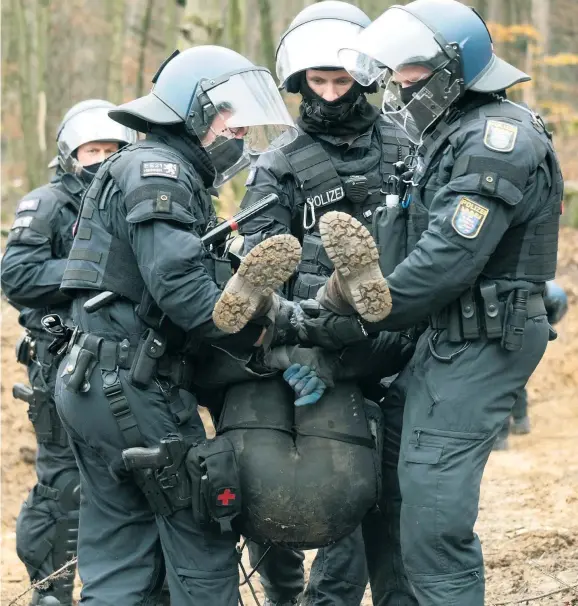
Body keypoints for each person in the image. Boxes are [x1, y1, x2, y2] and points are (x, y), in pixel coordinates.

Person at [292, 1, 563, 604]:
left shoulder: (499, 138)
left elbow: (444, 263)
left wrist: (347, 305)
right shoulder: (444, 134)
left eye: (411, 70)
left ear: (452, 68)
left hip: (483, 341)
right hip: (439, 341)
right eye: (395, 70)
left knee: (432, 511)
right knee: (387, 489)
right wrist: (321, 322)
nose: (398, 83)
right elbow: (404, 249)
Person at [53, 46, 300, 606]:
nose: (237, 130)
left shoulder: (147, 168)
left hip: (94, 378)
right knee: (201, 546)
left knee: (122, 561)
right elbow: (187, 294)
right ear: (192, 113)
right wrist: (280, 320)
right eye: (227, 117)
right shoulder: (157, 171)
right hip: (136, 390)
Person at [232, 2, 415, 604]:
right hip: (317, 346)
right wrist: (286, 354)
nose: (332, 93)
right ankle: (290, 597)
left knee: (385, 498)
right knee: (305, 484)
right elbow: (262, 275)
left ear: (366, 76)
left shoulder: (409, 145)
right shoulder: (278, 163)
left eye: (343, 80)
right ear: (298, 81)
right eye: (319, 81)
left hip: (404, 339)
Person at [1, 100, 137, 606]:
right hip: (59, 359)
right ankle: (49, 589)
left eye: (112, 149)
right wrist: (91, 271)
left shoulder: (138, 195)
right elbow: (16, 276)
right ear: (71, 153)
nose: (102, 159)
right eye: (92, 150)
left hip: (128, 362)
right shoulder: (49, 203)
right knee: (63, 485)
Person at [494, 279, 569, 449]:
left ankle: (500, 436)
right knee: (516, 380)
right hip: (529, 326)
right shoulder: (534, 279)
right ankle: (521, 421)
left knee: (501, 383)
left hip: (512, 325)